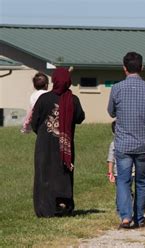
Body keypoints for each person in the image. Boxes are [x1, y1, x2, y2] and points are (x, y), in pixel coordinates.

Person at [107, 52, 145, 229]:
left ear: (124, 69)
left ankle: (125, 216)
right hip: (144, 143)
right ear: (142, 68)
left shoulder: (116, 89)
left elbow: (111, 112)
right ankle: (138, 217)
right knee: (141, 181)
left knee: (123, 180)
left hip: (122, 143)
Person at [31, 67, 85, 217]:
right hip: (65, 145)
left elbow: (35, 122)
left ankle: (45, 209)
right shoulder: (73, 100)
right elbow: (80, 118)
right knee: (63, 174)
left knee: (44, 175)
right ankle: (63, 206)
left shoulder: (44, 99)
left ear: (54, 80)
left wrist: (42, 133)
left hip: (44, 144)